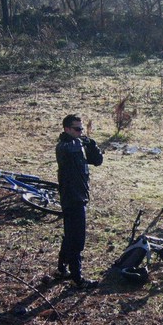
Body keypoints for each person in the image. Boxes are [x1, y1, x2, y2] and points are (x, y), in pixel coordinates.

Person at [56, 114, 104, 288]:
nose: (80, 132)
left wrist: (92, 145)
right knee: (77, 239)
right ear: (67, 129)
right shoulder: (63, 146)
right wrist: (82, 142)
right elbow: (70, 148)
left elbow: (97, 161)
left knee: (70, 235)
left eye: (81, 129)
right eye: (77, 129)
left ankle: (61, 269)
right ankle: (78, 278)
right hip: (71, 198)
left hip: (80, 196)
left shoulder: (79, 146)